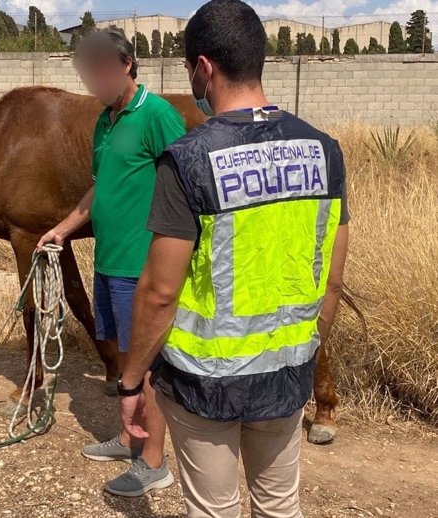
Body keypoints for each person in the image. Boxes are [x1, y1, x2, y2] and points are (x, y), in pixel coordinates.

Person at [117, 1, 350, 516]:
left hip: (206, 382)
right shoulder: (324, 151)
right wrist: (306, 350)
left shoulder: (188, 160)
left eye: (187, 70)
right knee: (278, 505)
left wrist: (131, 381)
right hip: (288, 372)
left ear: (203, 68)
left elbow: (159, 293)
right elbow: (331, 281)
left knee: (213, 509)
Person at [36, 29, 186, 497]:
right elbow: (101, 187)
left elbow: (186, 180)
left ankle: (155, 462)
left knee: (151, 364)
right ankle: (128, 438)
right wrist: (63, 228)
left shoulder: (157, 114)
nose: (95, 79)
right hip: (109, 261)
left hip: (143, 264)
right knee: (126, 357)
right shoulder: (105, 121)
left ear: (127, 65)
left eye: (102, 68)